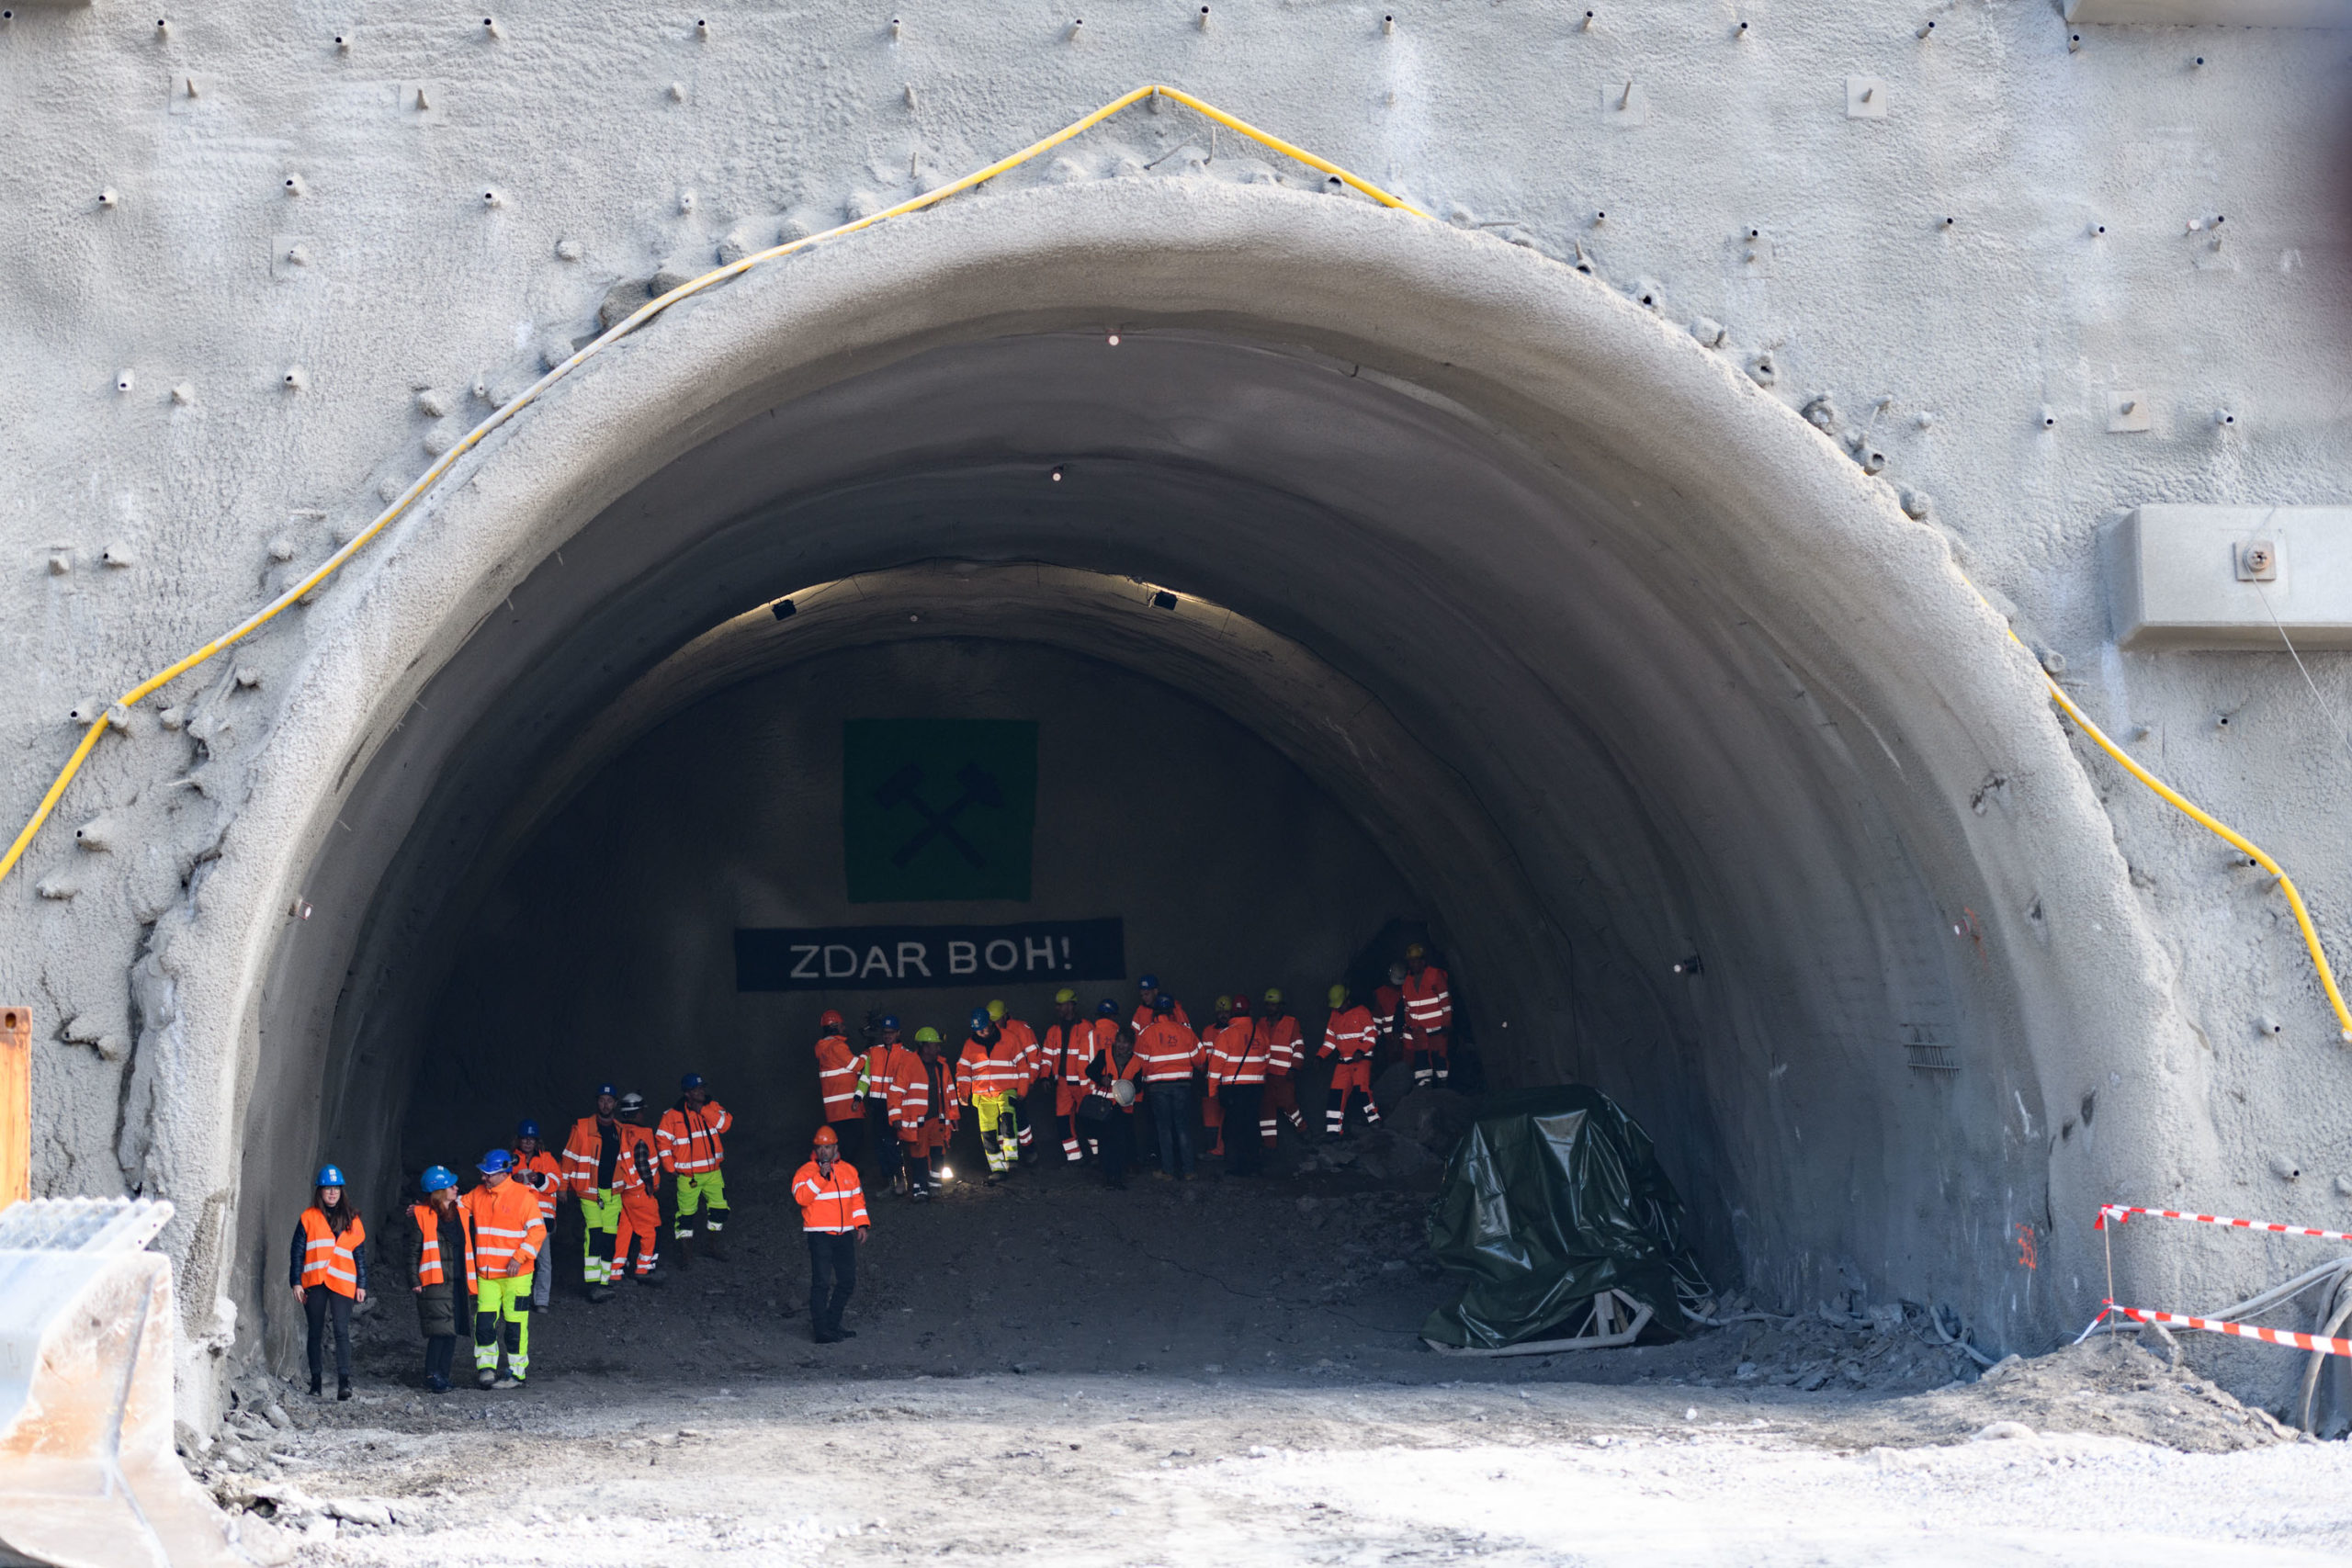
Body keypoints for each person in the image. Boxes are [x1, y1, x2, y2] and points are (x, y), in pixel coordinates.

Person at [463, 1149, 546, 1389]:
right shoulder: (478, 1194)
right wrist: (424, 1208)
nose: (483, 1179)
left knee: (515, 1325)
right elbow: (453, 1208)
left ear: (503, 1173)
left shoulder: (523, 1197)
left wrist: (519, 1258)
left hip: (516, 1276)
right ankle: (486, 1368)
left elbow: (538, 1231)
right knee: (484, 1322)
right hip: (487, 1275)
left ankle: (516, 1373)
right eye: (483, 1174)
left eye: (488, 1174)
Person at [289, 1164, 366, 1400]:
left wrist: (362, 1284)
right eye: (327, 1188)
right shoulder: (308, 1218)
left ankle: (345, 1383)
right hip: (315, 1281)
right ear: (320, 1191)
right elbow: (297, 1252)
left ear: (341, 1191)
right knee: (315, 1331)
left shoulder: (353, 1219)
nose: (332, 1192)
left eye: (336, 1188)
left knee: (341, 1331)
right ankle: (316, 1383)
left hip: (342, 1282)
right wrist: (296, 1282)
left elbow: (359, 1255)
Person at [793, 1124, 870, 1344]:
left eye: (828, 1147)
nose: (824, 1151)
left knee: (847, 1281)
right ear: (815, 1149)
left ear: (836, 1146)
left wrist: (862, 1224)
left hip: (844, 1234)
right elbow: (801, 1198)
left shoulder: (849, 1171)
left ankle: (832, 1324)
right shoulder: (806, 1172)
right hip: (820, 1235)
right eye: (820, 1147)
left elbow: (857, 1200)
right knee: (821, 1283)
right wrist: (821, 1177)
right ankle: (821, 1331)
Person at [408, 1165, 473, 1393]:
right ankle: (432, 1375)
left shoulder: (460, 1212)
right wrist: (414, 1280)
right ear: (439, 1191)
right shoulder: (423, 1217)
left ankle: (443, 1375)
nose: (456, 1188)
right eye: (451, 1185)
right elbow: (413, 1251)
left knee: (451, 1330)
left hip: (456, 1281)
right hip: (434, 1282)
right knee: (439, 1332)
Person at [658, 1072, 733, 1264]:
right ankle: (685, 1254)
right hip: (687, 1176)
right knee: (685, 1216)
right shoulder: (671, 1116)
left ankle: (711, 1246)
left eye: (702, 1088)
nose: (701, 1092)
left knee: (719, 1211)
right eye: (696, 1089)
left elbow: (725, 1125)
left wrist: (703, 1110)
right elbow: (662, 1142)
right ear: (687, 1093)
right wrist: (669, 1166)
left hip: (713, 1173)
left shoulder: (712, 1107)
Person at [561, 1085, 625, 1302]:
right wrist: (562, 1187)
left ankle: (604, 1282)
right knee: (595, 1235)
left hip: (613, 1193)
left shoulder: (620, 1129)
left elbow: (625, 1162)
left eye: (609, 1100)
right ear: (597, 1102)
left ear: (615, 1104)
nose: (605, 1104)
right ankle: (593, 1284)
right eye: (602, 1100)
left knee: (609, 1238)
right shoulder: (581, 1128)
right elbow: (568, 1158)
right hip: (590, 1192)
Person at [1133, 993, 1204, 1179]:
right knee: (1182, 1127)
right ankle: (1188, 1170)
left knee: (1164, 1128)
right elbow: (1200, 1059)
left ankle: (1168, 1171)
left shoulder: (1146, 1033)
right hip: (1182, 1086)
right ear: (1172, 1011)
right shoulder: (1185, 1032)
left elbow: (1140, 1064)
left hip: (1158, 1087)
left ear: (1154, 1013)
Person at [957, 1007, 1029, 1184]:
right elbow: (963, 1070)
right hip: (982, 1095)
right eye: (977, 1029)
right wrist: (963, 1092)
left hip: (1007, 1090)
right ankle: (997, 1169)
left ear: (991, 1022)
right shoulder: (970, 1044)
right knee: (988, 1133)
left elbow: (1023, 1065)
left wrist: (1022, 1089)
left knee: (1007, 1120)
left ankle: (1011, 1159)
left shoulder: (1010, 1038)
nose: (981, 1032)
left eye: (983, 1027)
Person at [892, 1027, 958, 1200]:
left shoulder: (942, 1066)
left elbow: (950, 1093)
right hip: (918, 1121)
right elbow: (895, 1093)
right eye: (935, 1045)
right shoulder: (908, 1065)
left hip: (938, 1119)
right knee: (918, 1156)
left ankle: (935, 1186)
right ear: (925, 1047)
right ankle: (920, 1189)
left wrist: (953, 1116)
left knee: (938, 1152)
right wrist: (896, 1117)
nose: (939, 1048)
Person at [1209, 994, 1269, 1176]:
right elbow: (1267, 1060)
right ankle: (1255, 1165)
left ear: (1233, 1013)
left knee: (1234, 1129)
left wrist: (1213, 1092)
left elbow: (1215, 1067)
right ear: (1249, 1011)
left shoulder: (1225, 1035)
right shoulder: (1260, 1033)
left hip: (1233, 1090)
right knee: (1252, 1126)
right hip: (1255, 1089)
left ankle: (1239, 1167)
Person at [508, 1121, 562, 1311]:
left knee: (543, 1262)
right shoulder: (512, 1159)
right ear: (519, 1140)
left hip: (541, 1220)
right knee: (519, 1259)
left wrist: (538, 1178)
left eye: (532, 1139)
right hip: (517, 1219)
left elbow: (555, 1183)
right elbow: (501, 1185)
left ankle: (541, 1301)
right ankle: (516, 1298)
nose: (528, 1142)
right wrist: (514, 1181)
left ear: (537, 1141)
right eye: (525, 1138)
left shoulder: (547, 1159)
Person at [614, 1092, 667, 1284]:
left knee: (624, 1231)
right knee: (650, 1230)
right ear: (637, 1113)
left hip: (624, 1191)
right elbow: (642, 1161)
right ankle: (644, 1270)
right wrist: (649, 1184)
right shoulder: (641, 1135)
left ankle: (615, 1271)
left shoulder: (617, 1131)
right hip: (639, 1191)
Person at [1083, 1021, 1145, 1188]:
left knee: (1120, 1143)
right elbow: (1089, 1070)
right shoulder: (1104, 1054)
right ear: (1115, 1041)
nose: (1121, 1046)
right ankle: (1108, 1176)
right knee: (1106, 1142)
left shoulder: (1137, 1062)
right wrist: (1100, 1078)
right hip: (1105, 1107)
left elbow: (1139, 1085)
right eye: (1119, 1041)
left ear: (1131, 1045)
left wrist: (1128, 1086)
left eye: (1125, 1043)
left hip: (1124, 1108)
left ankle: (1116, 1176)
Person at [1039, 989, 1098, 1163]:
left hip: (1082, 1083)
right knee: (1063, 1119)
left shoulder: (1087, 1027)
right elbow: (1047, 1057)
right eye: (1057, 1005)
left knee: (1089, 1119)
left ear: (1071, 1005)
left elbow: (1094, 1056)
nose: (1057, 1008)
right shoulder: (1053, 1031)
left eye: (1061, 1004)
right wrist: (1044, 1077)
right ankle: (1074, 1157)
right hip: (1063, 1083)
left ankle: (1097, 1155)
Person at [1321, 984, 1382, 1135]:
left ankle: (1375, 1121)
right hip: (1343, 1063)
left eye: (1339, 1006)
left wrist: (1361, 1051)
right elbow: (1330, 1041)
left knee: (1361, 1089)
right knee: (1336, 1094)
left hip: (1361, 1059)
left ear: (1347, 1001)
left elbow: (1372, 1034)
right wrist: (1320, 1056)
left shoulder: (1361, 1012)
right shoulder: (1334, 1016)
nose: (1337, 1009)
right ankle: (1333, 1132)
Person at [987, 999, 1044, 1161]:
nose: (994, 1024)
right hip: (997, 1087)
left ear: (1005, 1015)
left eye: (996, 1020)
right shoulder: (987, 1033)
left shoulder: (1020, 1029)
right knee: (1000, 1122)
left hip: (1017, 1084)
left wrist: (1029, 1082)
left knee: (1019, 1118)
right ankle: (1006, 1157)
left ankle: (1029, 1151)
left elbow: (1034, 1056)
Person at [865, 1015, 915, 1196]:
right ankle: (890, 1182)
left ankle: (901, 1180)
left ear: (898, 1033)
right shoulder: (873, 1052)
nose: (887, 1036)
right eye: (885, 1033)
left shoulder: (906, 1055)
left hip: (894, 1107)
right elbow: (861, 1068)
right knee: (880, 1145)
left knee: (892, 1145)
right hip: (877, 1105)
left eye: (891, 1033)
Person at [813, 1010, 868, 1172]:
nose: (845, 1028)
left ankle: (842, 1170)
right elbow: (857, 1065)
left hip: (835, 1108)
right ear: (835, 1026)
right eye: (842, 1025)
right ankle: (846, 1172)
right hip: (847, 1106)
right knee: (854, 1139)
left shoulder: (823, 1048)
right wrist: (867, 1054)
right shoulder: (837, 1046)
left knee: (842, 1141)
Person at [1254, 989, 1307, 1145]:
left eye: (1273, 1005)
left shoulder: (1291, 1022)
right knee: (1266, 1110)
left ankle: (1303, 1129)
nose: (1270, 1008)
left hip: (1285, 1075)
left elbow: (1299, 1047)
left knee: (1288, 1104)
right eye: (1268, 1005)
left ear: (1280, 1006)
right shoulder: (1261, 1023)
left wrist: (1294, 1068)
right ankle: (1269, 1144)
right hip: (1265, 1075)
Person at [1401, 942, 1456, 1087]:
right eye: (1410, 961)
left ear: (1422, 961)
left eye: (1415, 960)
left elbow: (1445, 1001)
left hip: (1437, 1029)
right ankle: (1424, 1090)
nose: (1412, 964)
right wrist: (1409, 1026)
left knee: (1440, 1060)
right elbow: (1407, 1007)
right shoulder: (1407, 981)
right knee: (1421, 1062)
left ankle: (1444, 1087)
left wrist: (1446, 1023)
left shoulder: (1434, 975)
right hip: (1419, 1031)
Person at [1200, 996, 1236, 1159]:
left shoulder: (1236, 1031)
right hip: (1213, 1081)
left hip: (1232, 1082)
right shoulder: (1208, 1031)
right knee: (1211, 1118)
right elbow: (1207, 1058)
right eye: (1220, 1012)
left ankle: (1229, 1150)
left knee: (1231, 1118)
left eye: (1227, 1012)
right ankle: (1213, 1150)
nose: (1223, 1015)